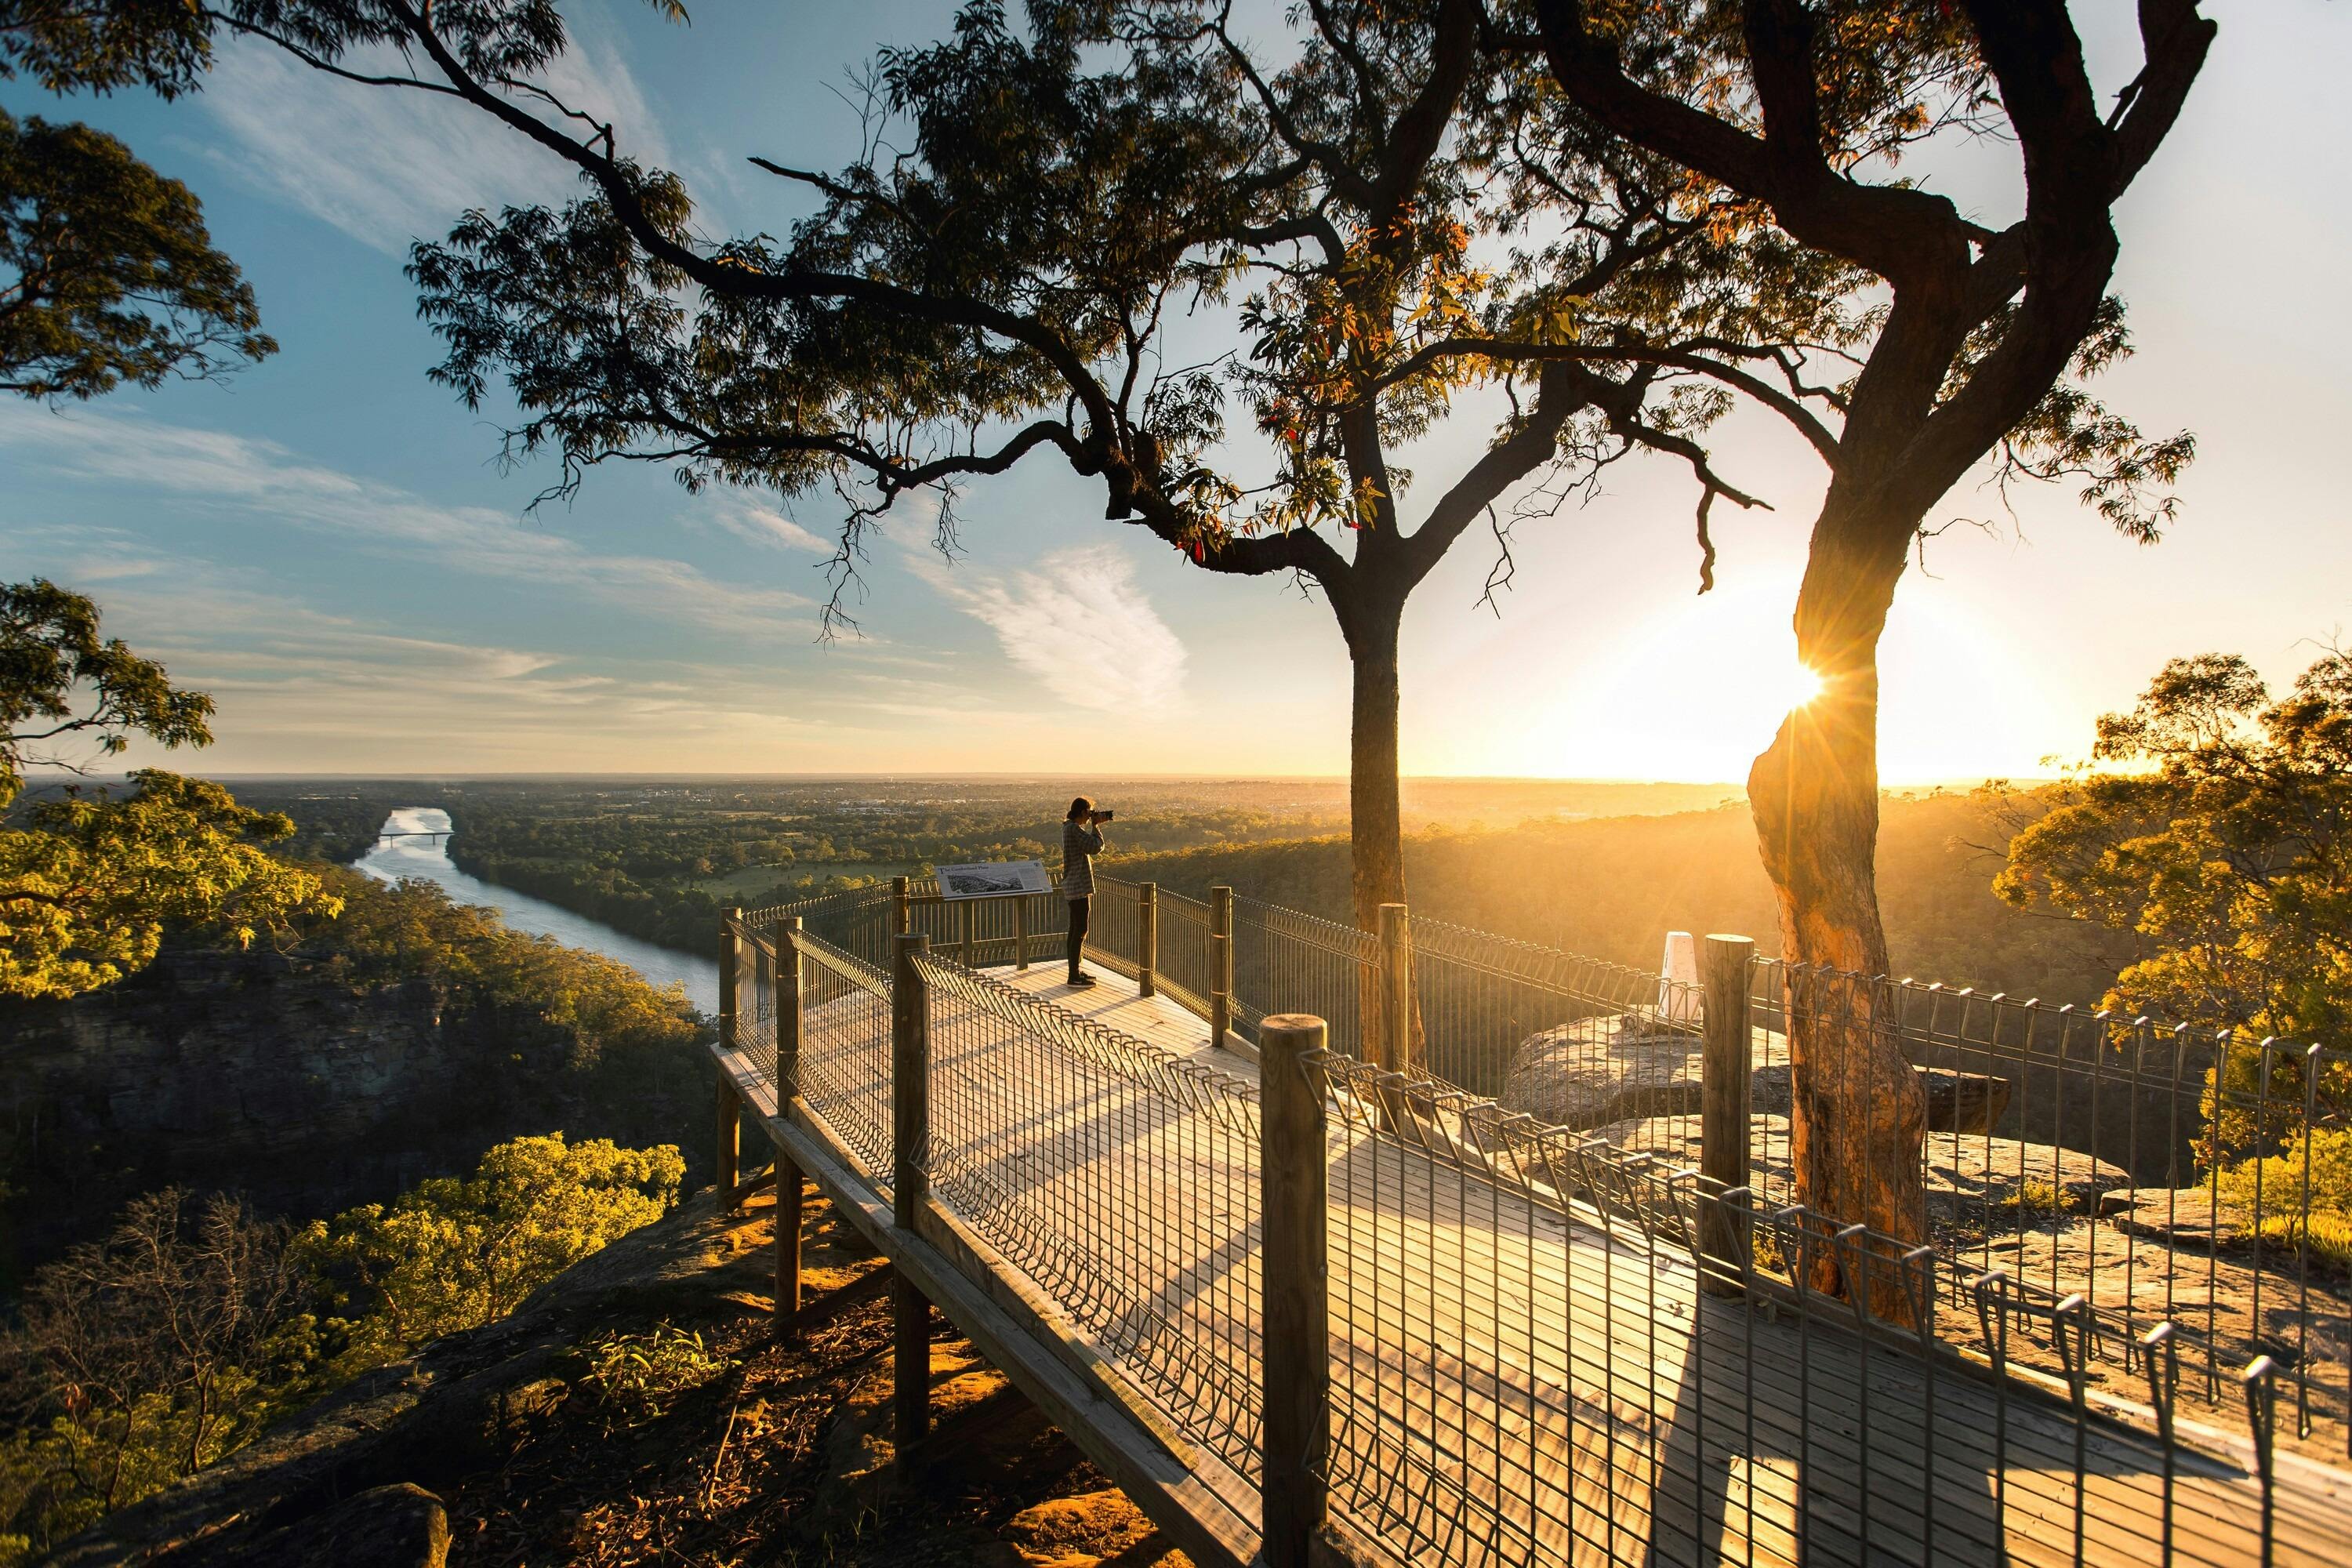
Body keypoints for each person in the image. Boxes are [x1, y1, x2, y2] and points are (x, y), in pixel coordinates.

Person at [1062, 796, 1109, 986]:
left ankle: (1075, 971)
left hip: (1074, 885)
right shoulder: (1074, 829)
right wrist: (1097, 827)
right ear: (1082, 812)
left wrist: (1094, 824)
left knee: (1075, 930)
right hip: (1078, 886)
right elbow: (1095, 847)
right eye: (1089, 813)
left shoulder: (1068, 828)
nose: (1090, 817)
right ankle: (1073, 975)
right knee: (1080, 929)